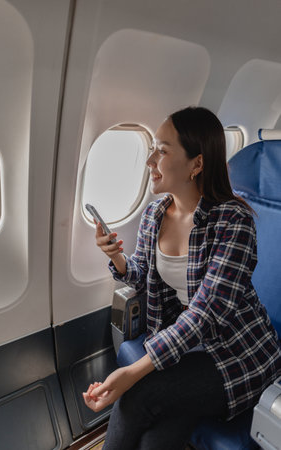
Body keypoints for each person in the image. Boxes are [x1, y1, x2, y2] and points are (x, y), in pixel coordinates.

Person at [83, 106, 281, 449]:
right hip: (185, 346)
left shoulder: (233, 222)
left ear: (197, 164)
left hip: (235, 351)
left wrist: (133, 371)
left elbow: (207, 315)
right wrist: (115, 255)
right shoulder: (155, 214)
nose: (149, 162)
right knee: (156, 438)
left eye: (161, 150)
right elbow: (142, 277)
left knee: (137, 397)